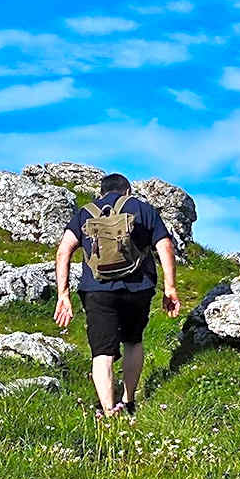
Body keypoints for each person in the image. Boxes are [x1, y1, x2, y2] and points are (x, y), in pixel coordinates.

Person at [54, 173, 180, 417]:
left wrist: (63, 294)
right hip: (138, 288)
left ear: (100, 193)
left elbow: (63, 252)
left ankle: (109, 410)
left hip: (97, 290)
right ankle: (129, 401)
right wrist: (170, 288)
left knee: (102, 351)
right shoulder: (143, 209)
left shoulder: (85, 212)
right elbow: (165, 245)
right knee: (133, 341)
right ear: (128, 191)